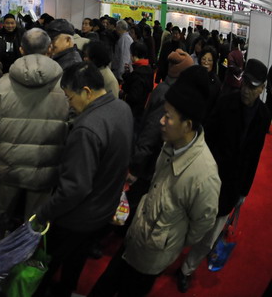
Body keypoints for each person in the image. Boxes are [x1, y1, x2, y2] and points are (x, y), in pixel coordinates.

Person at [90, 66, 221, 297]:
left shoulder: (204, 175)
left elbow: (202, 223)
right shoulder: (170, 144)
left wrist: (170, 239)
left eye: (168, 116)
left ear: (187, 125)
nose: (161, 120)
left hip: (154, 253)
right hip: (136, 235)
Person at [31, 62, 132, 297]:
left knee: (44, 267)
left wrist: (43, 213)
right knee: (74, 264)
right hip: (103, 210)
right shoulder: (122, 108)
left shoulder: (87, 128)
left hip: (76, 218)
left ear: (86, 91)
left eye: (69, 97)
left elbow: (74, 188)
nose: (69, 104)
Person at [177, 59, 271, 292]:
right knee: (188, 221)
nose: (246, 90)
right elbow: (206, 135)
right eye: (245, 83)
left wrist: (244, 191)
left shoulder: (263, 116)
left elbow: (254, 155)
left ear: (262, 88)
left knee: (210, 237)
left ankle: (186, 269)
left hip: (232, 185)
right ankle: (167, 256)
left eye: (253, 86)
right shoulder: (226, 101)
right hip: (209, 176)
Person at [0, 28, 69, 250]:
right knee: (35, 220)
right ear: (50, 49)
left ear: (21, 49)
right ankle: (26, 257)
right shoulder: (65, 85)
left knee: (1, 214)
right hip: (46, 166)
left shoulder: (3, 84)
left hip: (9, 164)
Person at [127, 49, 195, 216]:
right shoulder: (168, 93)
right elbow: (151, 131)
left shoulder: (167, 88)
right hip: (147, 164)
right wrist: (136, 168)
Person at [121, 41, 153, 121]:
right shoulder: (148, 69)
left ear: (134, 55)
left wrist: (123, 94)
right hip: (141, 110)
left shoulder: (138, 73)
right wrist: (128, 75)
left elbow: (133, 97)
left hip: (134, 113)